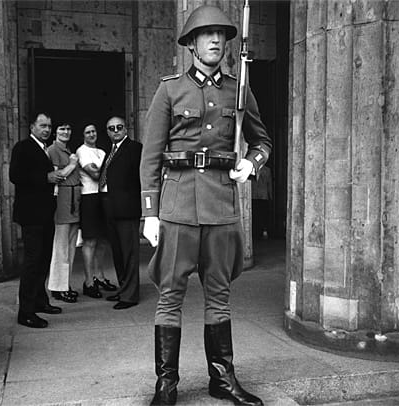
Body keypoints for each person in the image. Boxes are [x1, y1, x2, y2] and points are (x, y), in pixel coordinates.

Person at [140, 5, 272, 406]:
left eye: (221, 34)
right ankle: (167, 384)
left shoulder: (239, 89)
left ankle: (222, 379)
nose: (215, 40)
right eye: (206, 34)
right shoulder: (170, 89)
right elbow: (151, 155)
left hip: (220, 202)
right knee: (170, 295)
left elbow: (262, 141)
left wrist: (251, 163)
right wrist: (149, 211)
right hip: (178, 204)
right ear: (191, 43)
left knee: (219, 293)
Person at [9, 111, 63, 329]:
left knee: (43, 260)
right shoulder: (23, 147)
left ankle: (40, 301)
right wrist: (45, 177)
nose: (47, 130)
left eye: (49, 126)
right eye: (42, 126)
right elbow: (15, 176)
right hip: (31, 215)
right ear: (32, 127)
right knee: (33, 262)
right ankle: (26, 312)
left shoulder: (43, 149)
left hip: (44, 214)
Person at [99, 116, 142, 310]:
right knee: (117, 252)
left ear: (126, 128)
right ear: (107, 131)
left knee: (129, 253)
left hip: (126, 208)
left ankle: (130, 295)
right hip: (110, 206)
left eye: (119, 127)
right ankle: (123, 288)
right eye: (111, 128)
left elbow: (141, 178)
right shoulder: (111, 151)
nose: (115, 130)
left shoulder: (135, 148)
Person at [76, 124, 118, 298]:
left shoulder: (101, 152)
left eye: (94, 131)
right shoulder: (82, 151)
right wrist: (110, 169)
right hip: (89, 198)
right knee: (90, 241)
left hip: (103, 197)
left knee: (103, 240)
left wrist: (104, 170)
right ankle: (88, 282)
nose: (91, 134)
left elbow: (100, 171)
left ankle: (99, 277)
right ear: (83, 135)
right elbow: (94, 174)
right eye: (87, 132)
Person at [46, 122, 82, 303]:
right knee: (60, 248)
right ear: (55, 132)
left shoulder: (68, 149)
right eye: (62, 129)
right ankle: (57, 288)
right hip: (62, 202)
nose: (66, 132)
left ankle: (65, 285)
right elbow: (56, 177)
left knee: (70, 248)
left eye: (68, 129)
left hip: (73, 202)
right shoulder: (52, 150)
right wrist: (72, 165)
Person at [251, 164, 272, 240]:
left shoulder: (252, 168)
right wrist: (270, 195)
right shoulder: (267, 170)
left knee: (255, 215)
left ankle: (255, 232)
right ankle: (264, 231)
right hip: (263, 195)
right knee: (263, 215)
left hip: (254, 195)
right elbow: (269, 184)